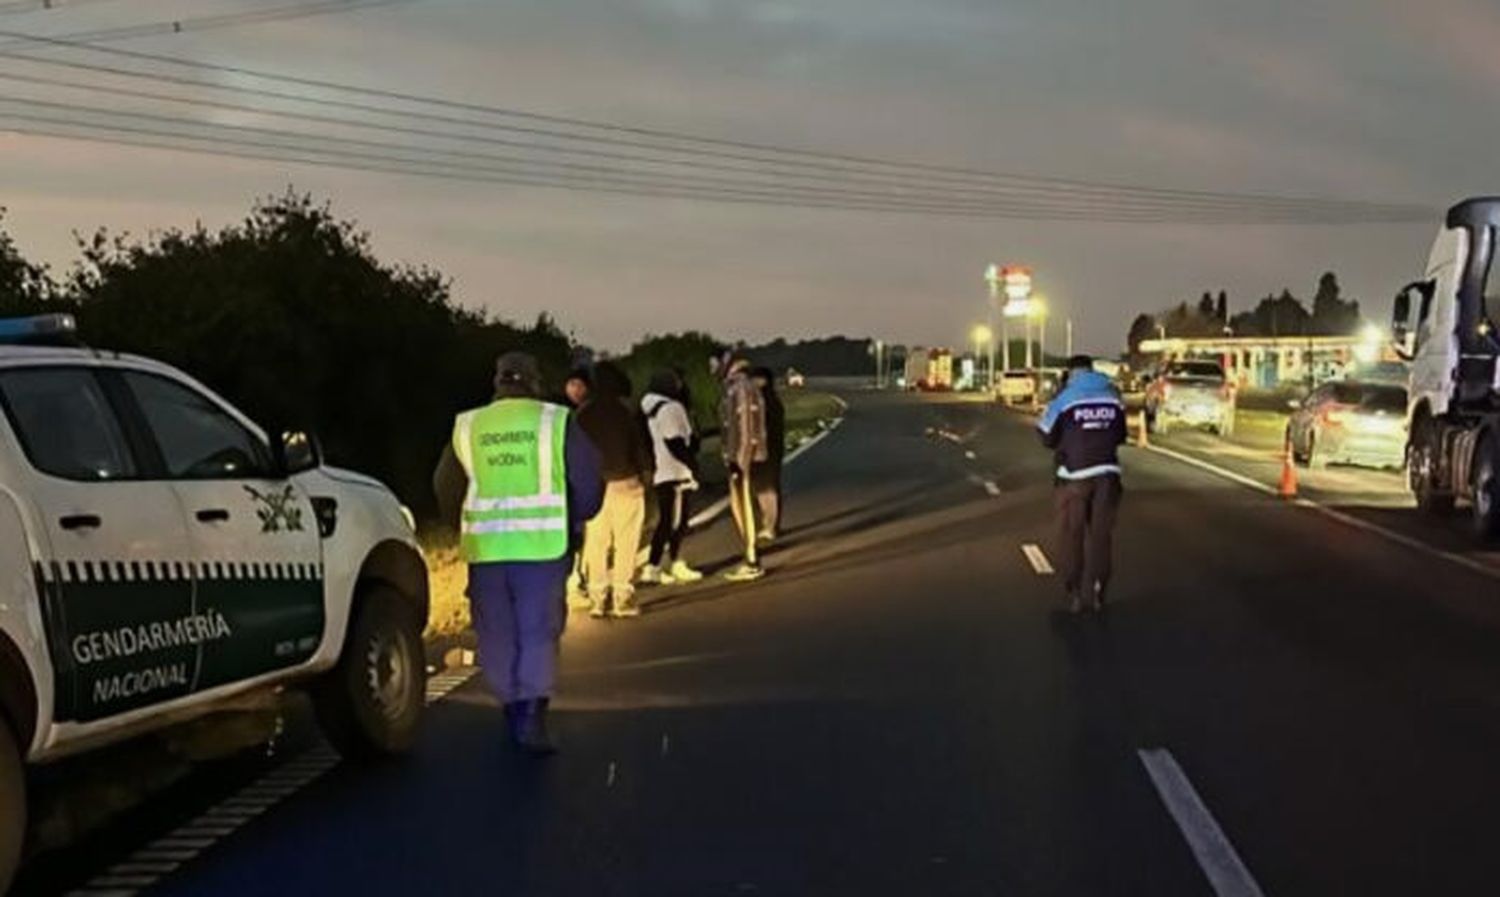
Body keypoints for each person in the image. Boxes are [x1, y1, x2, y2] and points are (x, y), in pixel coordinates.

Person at [432, 352, 603, 755]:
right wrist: (573, 519)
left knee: (496, 632)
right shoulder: (555, 422)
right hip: (542, 547)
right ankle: (531, 714)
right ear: (534, 382)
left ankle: (510, 706)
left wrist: (463, 524)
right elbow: (588, 482)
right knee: (538, 630)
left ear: (497, 383)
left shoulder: (468, 425)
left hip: (487, 550)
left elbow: (444, 485)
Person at [1037, 354, 1126, 614]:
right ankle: (1100, 589)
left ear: (1071, 374)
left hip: (1073, 477)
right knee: (1101, 536)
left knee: (1072, 534)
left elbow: (1045, 435)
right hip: (1108, 474)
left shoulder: (1064, 399)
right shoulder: (1113, 396)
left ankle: (1074, 590)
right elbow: (1120, 435)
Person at [575, 361, 653, 618]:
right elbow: (640, 446)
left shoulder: (582, 415)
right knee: (626, 540)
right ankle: (623, 596)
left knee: (596, 542)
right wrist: (647, 473)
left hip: (593, 486)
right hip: (625, 481)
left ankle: (598, 598)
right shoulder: (625, 411)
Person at [640, 369, 705, 585]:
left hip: (663, 471)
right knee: (675, 522)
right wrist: (692, 464)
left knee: (668, 521)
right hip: (675, 472)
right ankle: (665, 564)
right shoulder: (670, 408)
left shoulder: (652, 409)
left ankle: (656, 565)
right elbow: (675, 441)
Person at [720, 357, 769, 581]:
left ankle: (751, 559)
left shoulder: (741, 389)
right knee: (741, 506)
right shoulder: (739, 387)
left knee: (745, 507)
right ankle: (751, 554)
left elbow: (747, 430)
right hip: (739, 459)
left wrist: (741, 462)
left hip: (742, 461)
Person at [749, 367, 785, 542]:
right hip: (768, 449)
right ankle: (769, 523)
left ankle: (771, 525)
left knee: (768, 488)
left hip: (768, 450)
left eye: (755, 379)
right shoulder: (767, 399)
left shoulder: (766, 401)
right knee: (763, 487)